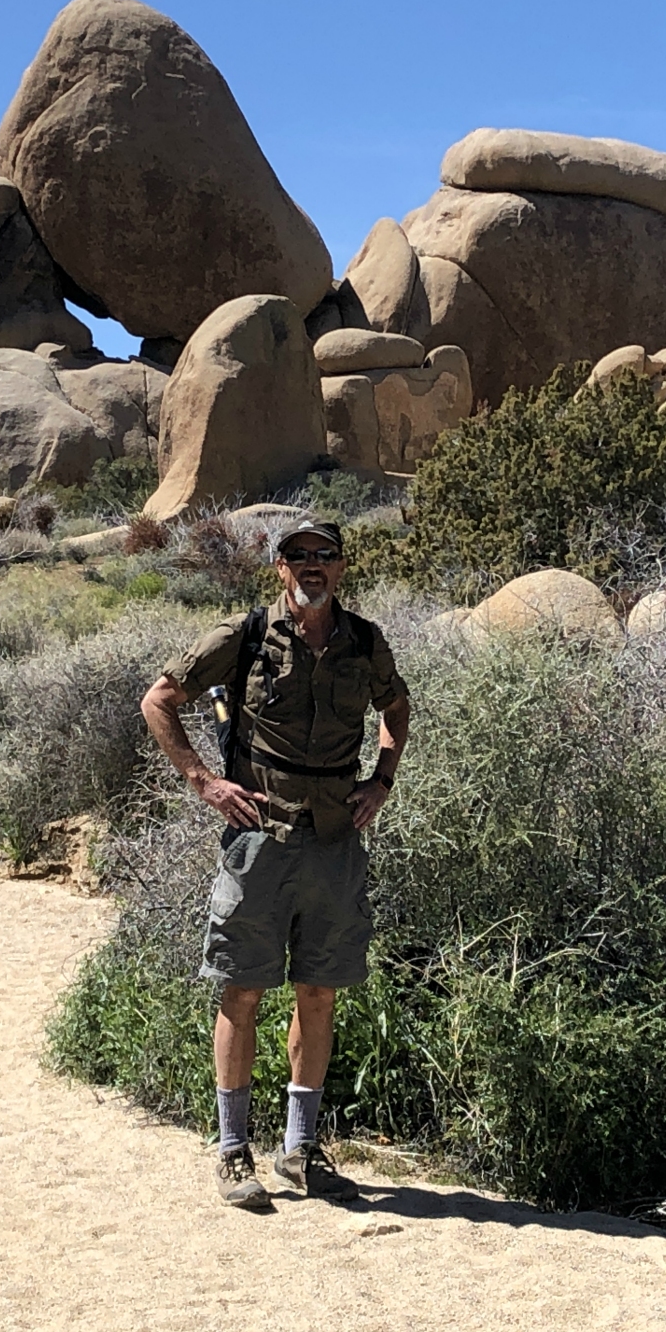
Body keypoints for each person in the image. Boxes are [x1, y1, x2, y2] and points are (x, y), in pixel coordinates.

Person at [141, 517, 410, 1211]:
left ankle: (301, 1151)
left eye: (326, 555)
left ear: (343, 567)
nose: (313, 566)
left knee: (318, 991)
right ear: (280, 568)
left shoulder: (365, 641)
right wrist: (205, 781)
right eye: (299, 556)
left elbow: (397, 706)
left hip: (333, 839)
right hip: (260, 836)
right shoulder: (245, 636)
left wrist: (381, 780)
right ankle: (233, 1151)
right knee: (243, 988)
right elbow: (160, 700)